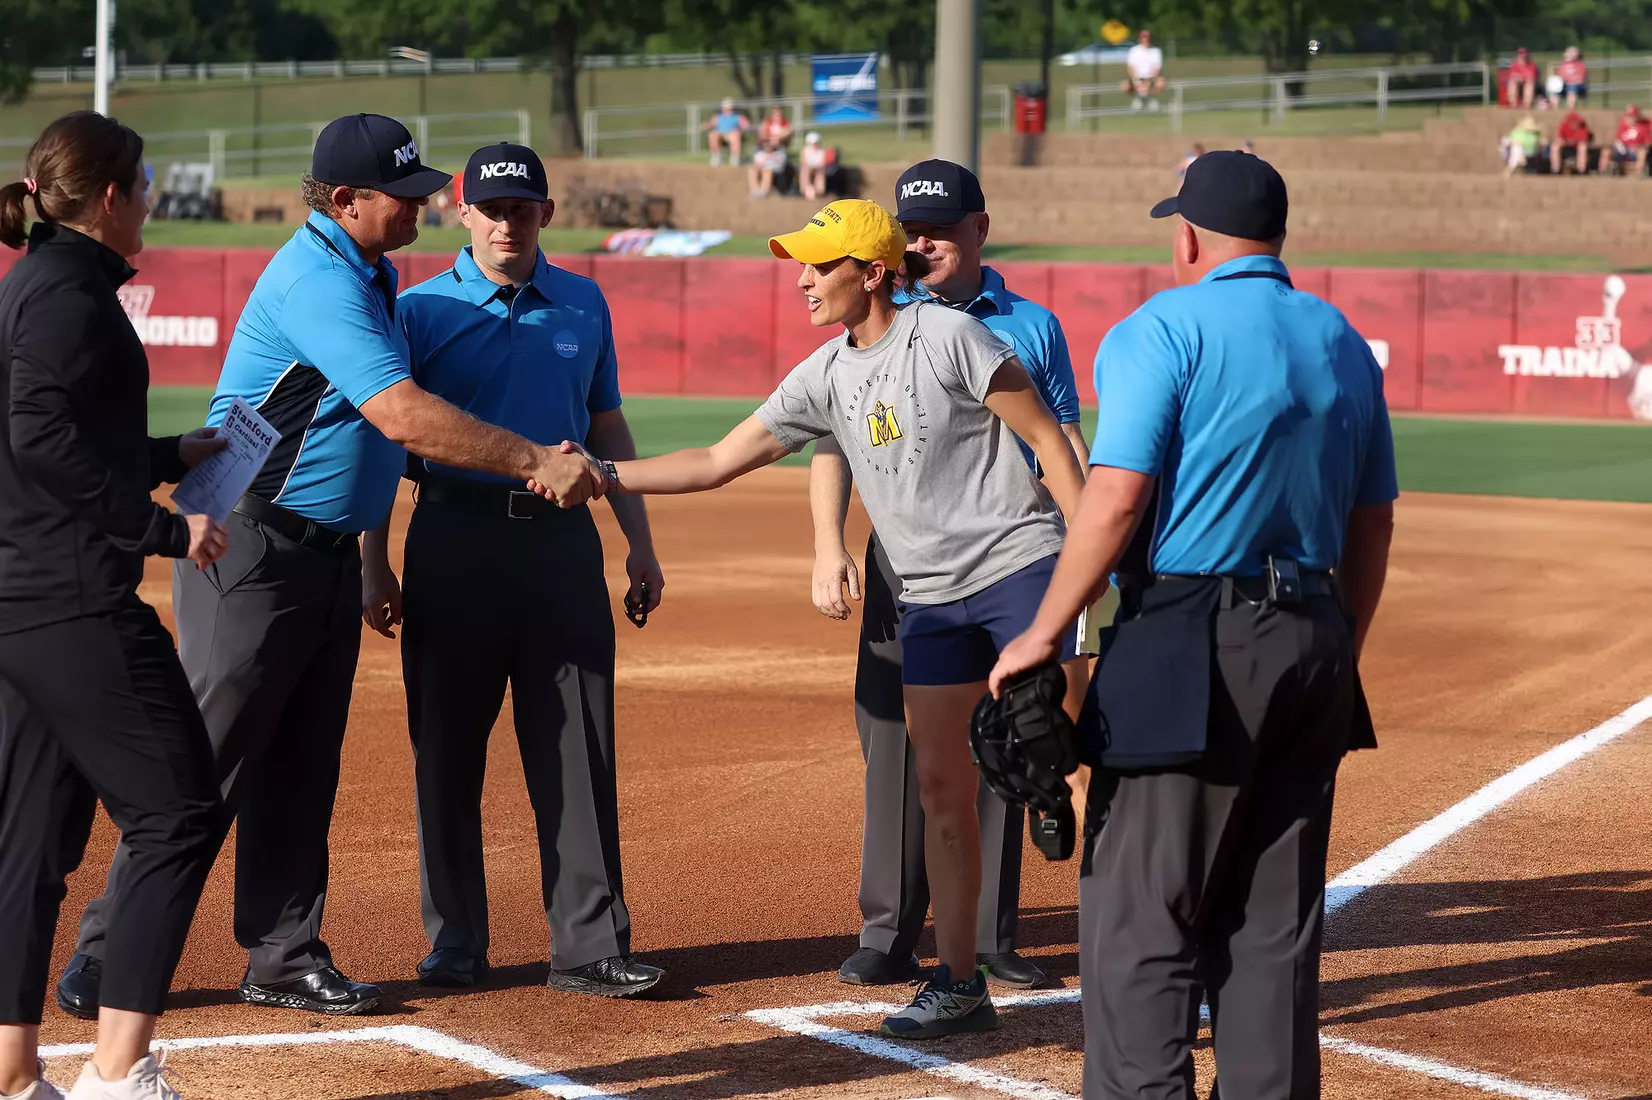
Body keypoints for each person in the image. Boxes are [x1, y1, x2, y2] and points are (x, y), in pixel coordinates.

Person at [55, 113, 604, 1023]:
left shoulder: (368, 269)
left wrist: (367, 557)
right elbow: (401, 416)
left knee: (303, 764)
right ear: (345, 201)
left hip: (314, 553)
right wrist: (532, 459)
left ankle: (283, 952)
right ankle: (108, 950)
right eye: (406, 190)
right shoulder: (319, 279)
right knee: (206, 763)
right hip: (246, 542)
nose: (427, 201)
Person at [538, 199, 1088, 1038]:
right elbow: (719, 460)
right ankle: (960, 980)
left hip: (1019, 567)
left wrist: (1084, 573)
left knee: (1071, 750)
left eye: (818, 265)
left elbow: (1049, 442)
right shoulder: (826, 373)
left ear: (872, 273)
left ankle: (1141, 935)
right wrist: (606, 473)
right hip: (932, 600)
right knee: (944, 790)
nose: (800, 278)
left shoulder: (947, 336)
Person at [988, 150, 1396, 1099]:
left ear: (1187, 236)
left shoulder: (1160, 327)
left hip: (1192, 637)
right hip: (1314, 639)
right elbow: (1374, 521)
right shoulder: (1339, 337)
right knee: (1272, 929)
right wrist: (1341, 643)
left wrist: (1046, 628)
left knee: (1142, 920)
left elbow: (1119, 495)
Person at [364, 142, 667, 998]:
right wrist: (374, 560)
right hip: (452, 543)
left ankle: (589, 945)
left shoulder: (583, 301)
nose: (507, 222)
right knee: (446, 751)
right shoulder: (418, 312)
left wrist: (638, 541)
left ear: (545, 212)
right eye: (491, 208)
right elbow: (389, 443)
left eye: (523, 207)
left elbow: (607, 427)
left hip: (562, 546)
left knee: (578, 744)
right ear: (462, 212)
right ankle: (454, 943)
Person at [809, 161, 1089, 992]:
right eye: (908, 228)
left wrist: (1079, 550)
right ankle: (889, 929)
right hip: (906, 560)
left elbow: (1062, 439)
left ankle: (991, 935)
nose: (920, 241)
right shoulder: (879, 313)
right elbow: (831, 439)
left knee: (1006, 731)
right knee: (898, 743)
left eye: (937, 226)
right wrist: (830, 542)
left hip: (1005, 559)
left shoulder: (1031, 326)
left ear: (980, 229)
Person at [0, 110, 230, 1100]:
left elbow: (57, 441)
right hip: (74, 598)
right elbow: (37, 438)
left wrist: (166, 457)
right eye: (142, 186)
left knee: (30, 843)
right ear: (108, 196)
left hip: (25, 595)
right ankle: (118, 1067)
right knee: (179, 807)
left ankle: (13, 1076)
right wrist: (161, 528)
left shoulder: (42, 283)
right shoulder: (68, 296)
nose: (151, 202)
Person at [1121, 29, 1167, 111]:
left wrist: (1148, 82)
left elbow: (1157, 69)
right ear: (1140, 39)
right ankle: (1137, 99)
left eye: (1147, 38)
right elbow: (1131, 67)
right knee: (1125, 86)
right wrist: (1136, 81)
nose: (1146, 40)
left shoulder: (1156, 51)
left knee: (1161, 82)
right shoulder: (1134, 51)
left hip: (1151, 78)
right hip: (1137, 77)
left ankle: (1152, 99)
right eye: (1144, 38)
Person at [1600, 104, 1650, 177]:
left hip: (1636, 151)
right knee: (1606, 151)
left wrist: (1637, 147)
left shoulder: (1643, 127)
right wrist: (1620, 147)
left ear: (1637, 116)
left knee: (1642, 152)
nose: (1630, 119)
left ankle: (1639, 173)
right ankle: (1603, 172)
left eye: (1632, 116)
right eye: (1629, 116)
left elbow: (1647, 144)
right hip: (1623, 149)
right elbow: (1617, 140)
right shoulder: (1623, 124)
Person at [703, 99, 749, 166]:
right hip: (720, 134)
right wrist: (706, 125)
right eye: (726, 108)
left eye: (729, 108)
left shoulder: (738, 116)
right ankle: (716, 157)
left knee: (735, 135)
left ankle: (735, 158)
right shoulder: (718, 116)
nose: (727, 109)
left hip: (732, 134)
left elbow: (746, 125)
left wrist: (740, 130)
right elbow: (711, 124)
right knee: (713, 135)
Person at [1552, 109, 1592, 174]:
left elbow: (1584, 140)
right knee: (1555, 147)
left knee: (1582, 147)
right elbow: (1559, 138)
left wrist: (1573, 142)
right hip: (1566, 147)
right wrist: (1564, 142)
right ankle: (1555, 169)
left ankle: (1581, 170)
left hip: (1577, 147)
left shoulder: (1582, 126)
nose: (1577, 123)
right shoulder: (1564, 125)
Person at [799, 132, 831, 201]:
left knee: (820, 173)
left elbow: (823, 162)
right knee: (805, 171)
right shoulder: (805, 151)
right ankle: (805, 190)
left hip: (818, 168)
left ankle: (820, 191)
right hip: (808, 168)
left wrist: (817, 167)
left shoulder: (822, 151)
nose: (815, 145)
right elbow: (804, 162)